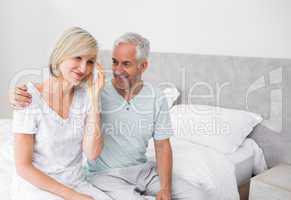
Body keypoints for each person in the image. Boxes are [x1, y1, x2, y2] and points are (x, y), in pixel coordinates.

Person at [11, 32, 206, 200]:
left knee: (198, 196)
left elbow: (162, 145)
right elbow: (48, 92)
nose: (117, 70)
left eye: (126, 64)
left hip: (139, 170)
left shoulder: (152, 96)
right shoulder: (94, 89)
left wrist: (165, 189)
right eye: (114, 62)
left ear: (143, 66)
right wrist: (14, 95)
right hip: (103, 175)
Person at [10, 27, 111, 200]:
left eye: (90, 62)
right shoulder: (28, 97)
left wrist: (94, 99)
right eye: (77, 57)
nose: (83, 68)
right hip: (39, 185)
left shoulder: (87, 97)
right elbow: (23, 167)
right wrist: (71, 196)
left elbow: (92, 153)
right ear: (61, 55)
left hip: (76, 182)